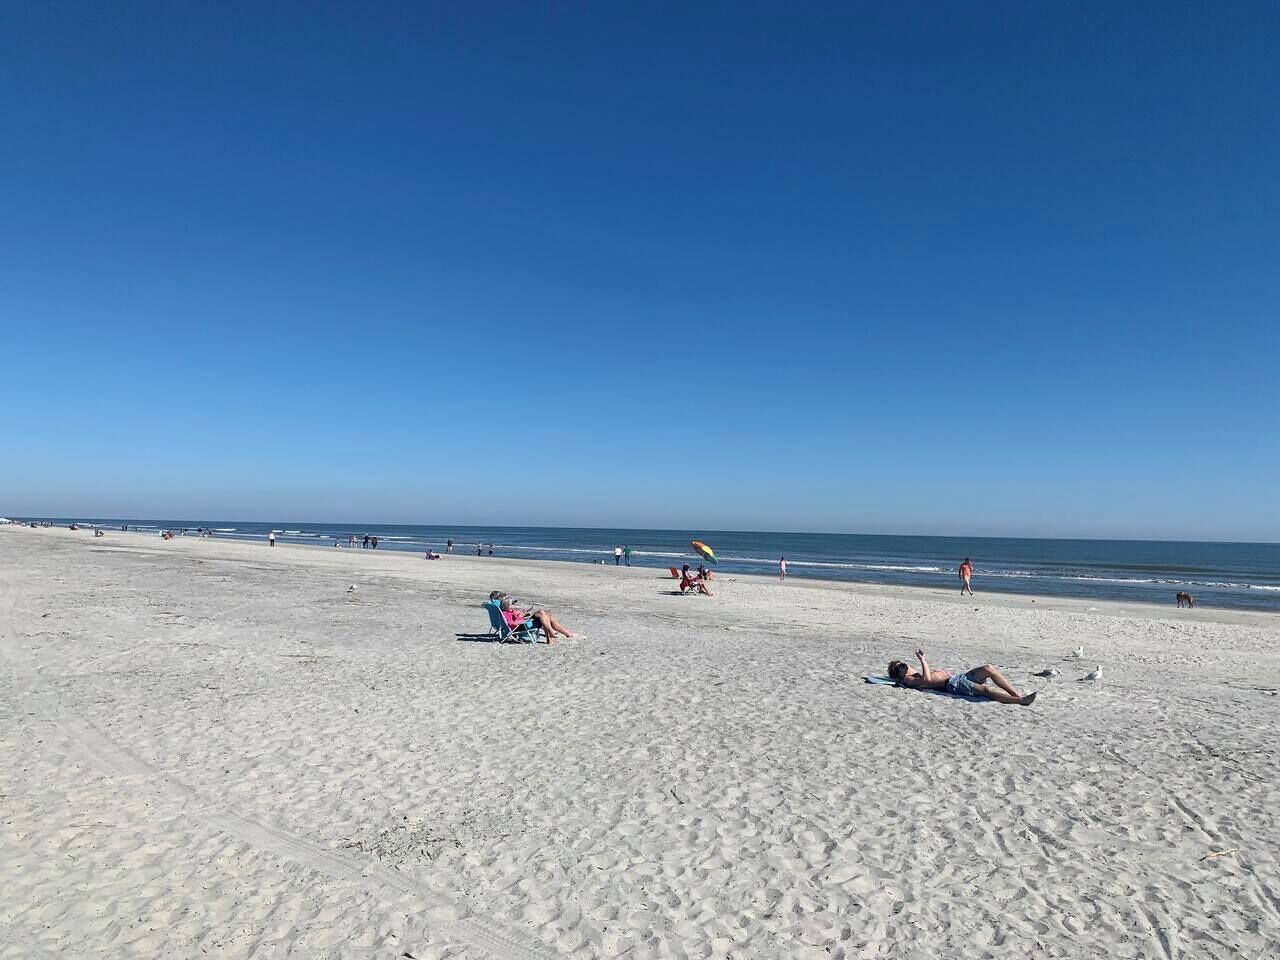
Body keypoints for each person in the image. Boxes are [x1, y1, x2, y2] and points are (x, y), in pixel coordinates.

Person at [888, 649, 1036, 705]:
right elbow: (927, 680)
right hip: (954, 685)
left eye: (903, 665)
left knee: (988, 668)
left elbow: (921, 674)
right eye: (901, 668)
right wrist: (923, 660)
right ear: (899, 675)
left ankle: (1015, 694)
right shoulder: (907, 679)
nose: (905, 667)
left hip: (959, 678)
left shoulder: (913, 673)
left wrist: (907, 666)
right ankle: (1020, 700)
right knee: (986, 691)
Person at [499, 597, 576, 643]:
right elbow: (511, 623)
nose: (514, 606)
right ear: (508, 606)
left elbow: (517, 617)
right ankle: (551, 636)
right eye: (512, 604)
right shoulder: (506, 613)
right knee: (543, 616)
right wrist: (521, 620)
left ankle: (564, 633)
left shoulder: (512, 611)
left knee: (546, 615)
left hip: (524, 623)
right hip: (522, 626)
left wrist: (521, 615)